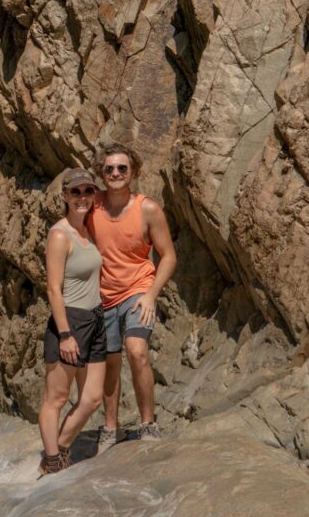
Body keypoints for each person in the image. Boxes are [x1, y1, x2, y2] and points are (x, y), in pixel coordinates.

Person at [87, 143, 176, 452]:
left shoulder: (147, 208)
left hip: (138, 291)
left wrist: (151, 295)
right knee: (111, 361)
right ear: (101, 173)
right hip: (102, 296)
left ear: (133, 172)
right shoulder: (91, 206)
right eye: (109, 168)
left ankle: (148, 424)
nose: (115, 173)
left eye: (122, 168)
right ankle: (110, 428)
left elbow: (168, 257)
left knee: (137, 350)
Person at [38, 168, 107, 474]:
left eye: (88, 191)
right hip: (70, 322)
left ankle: (62, 446)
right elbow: (53, 288)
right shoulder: (59, 234)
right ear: (64, 196)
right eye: (76, 192)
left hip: (95, 319)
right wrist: (65, 334)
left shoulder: (88, 230)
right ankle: (53, 461)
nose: (82, 197)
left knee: (92, 398)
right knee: (57, 397)